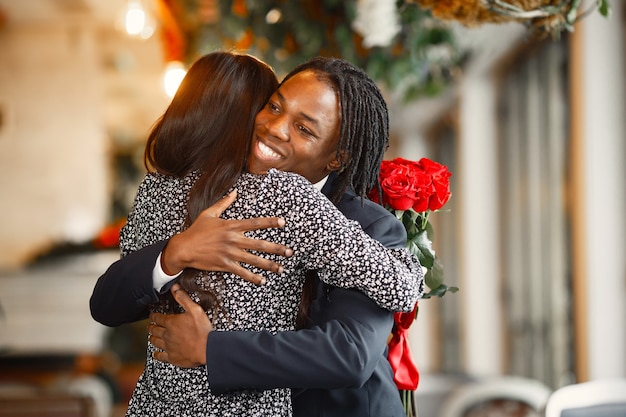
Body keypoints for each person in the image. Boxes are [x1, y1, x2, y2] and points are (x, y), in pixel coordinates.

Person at [90, 56, 424, 417]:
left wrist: (211, 348)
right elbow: (107, 304)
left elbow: (350, 354)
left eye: (305, 129)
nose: (275, 128)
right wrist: (176, 252)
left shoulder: (367, 224)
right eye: (274, 106)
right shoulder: (188, 195)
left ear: (337, 158)